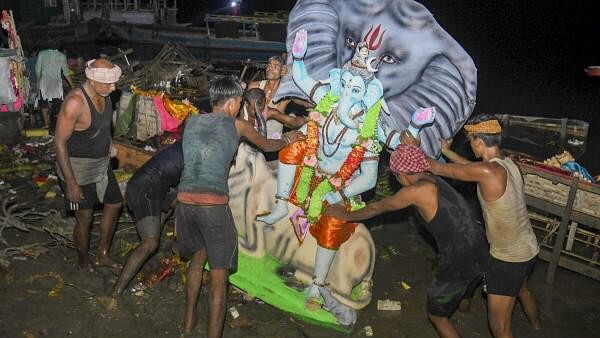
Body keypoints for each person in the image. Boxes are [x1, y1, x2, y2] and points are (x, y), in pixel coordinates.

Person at [177, 75, 305, 337]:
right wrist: (289, 139)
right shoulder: (237, 125)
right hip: (212, 206)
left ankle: (188, 324)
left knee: (197, 259)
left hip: (184, 202)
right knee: (219, 278)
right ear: (234, 103)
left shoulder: (190, 122)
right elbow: (268, 145)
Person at [326, 144, 488, 338]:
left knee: (436, 316)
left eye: (395, 176)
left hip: (458, 259)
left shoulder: (416, 191)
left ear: (401, 174)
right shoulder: (434, 178)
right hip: (480, 246)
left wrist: (344, 215)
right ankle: (464, 312)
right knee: (467, 286)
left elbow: (377, 208)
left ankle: (450, 314)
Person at [428, 114, 542, 338]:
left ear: (479, 142)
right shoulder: (507, 164)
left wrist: (410, 149)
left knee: (499, 326)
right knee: (523, 290)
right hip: (528, 249)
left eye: (471, 141)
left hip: (508, 259)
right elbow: (470, 167)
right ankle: (538, 327)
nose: (471, 146)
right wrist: (448, 151)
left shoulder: (487, 171)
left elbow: (442, 170)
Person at [54, 58, 122, 272]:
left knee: (115, 203)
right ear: (91, 80)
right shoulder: (75, 102)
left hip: (101, 164)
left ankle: (102, 253)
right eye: (108, 83)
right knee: (85, 217)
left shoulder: (105, 94)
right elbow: (59, 142)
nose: (113, 87)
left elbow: (103, 126)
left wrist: (109, 144)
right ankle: (83, 259)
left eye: (114, 82)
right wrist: (72, 183)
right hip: (77, 169)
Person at [111, 140, 183, 296]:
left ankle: (142, 257)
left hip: (155, 186)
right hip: (145, 189)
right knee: (150, 242)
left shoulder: (189, 144)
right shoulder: (197, 154)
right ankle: (115, 293)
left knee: (170, 207)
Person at [247, 55, 306, 138]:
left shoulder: (285, 93)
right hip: (251, 137)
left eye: (275, 66)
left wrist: (289, 74)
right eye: (269, 65)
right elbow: (245, 112)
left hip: (273, 143)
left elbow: (305, 102)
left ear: (283, 70)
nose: (270, 68)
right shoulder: (254, 86)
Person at [36, 48, 73, 131]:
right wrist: (72, 85)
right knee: (58, 105)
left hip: (45, 83)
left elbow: (38, 70)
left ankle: (46, 123)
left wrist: (38, 83)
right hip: (56, 84)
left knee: (44, 104)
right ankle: (60, 125)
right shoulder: (62, 55)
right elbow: (66, 72)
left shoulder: (41, 53)